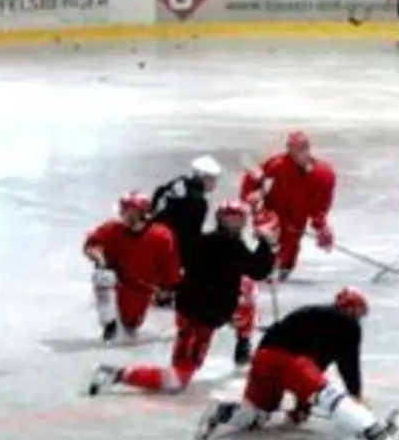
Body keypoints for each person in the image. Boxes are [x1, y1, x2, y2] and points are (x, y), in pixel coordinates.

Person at [89, 200, 277, 396]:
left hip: (206, 315)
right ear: (221, 219)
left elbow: (249, 271)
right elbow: (257, 270)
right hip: (197, 318)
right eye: (230, 220)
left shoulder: (223, 243)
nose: (235, 225)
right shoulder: (223, 244)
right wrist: (266, 245)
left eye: (239, 220)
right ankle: (117, 374)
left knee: (247, 297)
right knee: (176, 379)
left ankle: (243, 343)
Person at [195, 288, 399, 440]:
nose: (360, 319)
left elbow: (310, 370)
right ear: (352, 309)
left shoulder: (315, 315)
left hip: (263, 358)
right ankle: (375, 432)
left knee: (257, 415)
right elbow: (347, 365)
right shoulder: (347, 324)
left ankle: (224, 413)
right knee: (329, 396)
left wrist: (301, 406)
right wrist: (356, 395)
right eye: (360, 313)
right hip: (289, 360)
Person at [83, 192, 181, 343]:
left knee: (130, 325)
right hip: (116, 283)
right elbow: (92, 244)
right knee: (103, 277)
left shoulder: (162, 236)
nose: (125, 215)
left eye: (130, 212)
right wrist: (98, 257)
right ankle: (109, 324)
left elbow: (170, 266)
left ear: (143, 213)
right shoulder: (112, 229)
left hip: (140, 291)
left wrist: (168, 289)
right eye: (124, 211)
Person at [242, 131, 336, 281]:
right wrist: (253, 201)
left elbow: (321, 203)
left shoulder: (322, 174)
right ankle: (258, 275)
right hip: (273, 217)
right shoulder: (276, 166)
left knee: (290, 250)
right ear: (289, 148)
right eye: (296, 148)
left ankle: (280, 275)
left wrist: (321, 226)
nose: (301, 152)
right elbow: (253, 181)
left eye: (304, 147)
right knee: (270, 246)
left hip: (297, 221)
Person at [150, 155, 222, 274]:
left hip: (152, 240)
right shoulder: (198, 202)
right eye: (213, 179)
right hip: (171, 250)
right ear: (204, 178)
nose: (215, 183)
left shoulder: (171, 187)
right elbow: (190, 237)